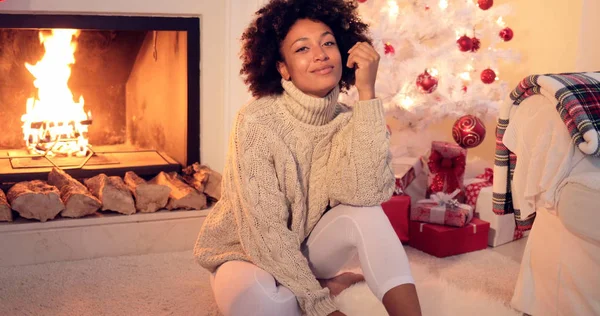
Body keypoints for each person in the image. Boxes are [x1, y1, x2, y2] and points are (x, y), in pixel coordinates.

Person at [193, 0, 422, 315]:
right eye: (302, 49)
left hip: (307, 246)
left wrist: (367, 93)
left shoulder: (349, 120)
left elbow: (368, 193)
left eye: (328, 42)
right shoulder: (257, 121)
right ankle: (324, 286)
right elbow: (265, 233)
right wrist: (322, 306)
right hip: (245, 251)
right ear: (282, 68)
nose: (320, 54)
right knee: (263, 307)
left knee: (366, 214)